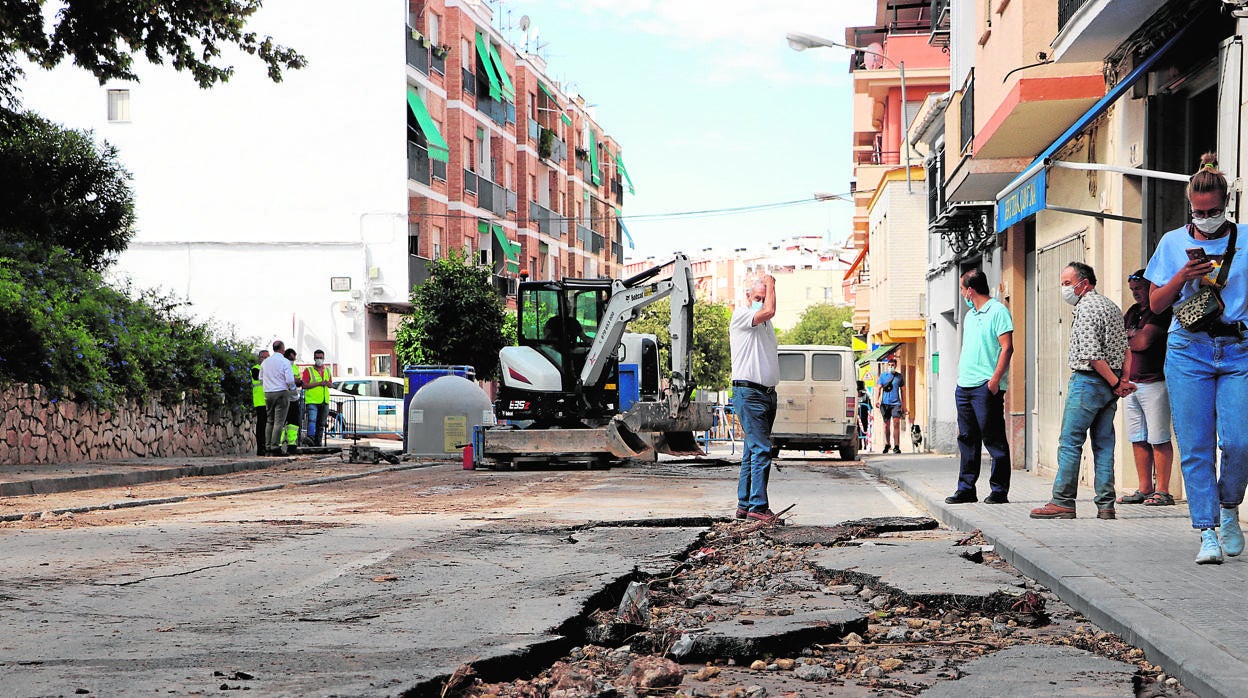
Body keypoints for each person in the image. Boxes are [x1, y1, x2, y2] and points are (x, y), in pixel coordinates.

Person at [1143, 152, 1247, 564]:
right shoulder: (1172, 243)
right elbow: (1154, 302)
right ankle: (1206, 531)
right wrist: (1181, 277)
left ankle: (1228, 507)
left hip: (1238, 348)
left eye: (1215, 211)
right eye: (1200, 211)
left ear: (1226, 205)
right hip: (1188, 349)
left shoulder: (1244, 240)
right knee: (1196, 444)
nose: (1207, 217)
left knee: (1239, 442)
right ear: (1191, 206)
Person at [1031, 262, 1131, 521]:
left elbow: (1091, 354)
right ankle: (1106, 505)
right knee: (1104, 444)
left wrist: (1113, 381)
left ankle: (1062, 501)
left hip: (1089, 381)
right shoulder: (1110, 306)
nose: (1064, 289)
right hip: (1111, 384)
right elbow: (1125, 349)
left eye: (1067, 283)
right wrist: (1121, 380)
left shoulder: (1086, 308)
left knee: (1070, 443)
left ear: (1084, 283)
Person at [946, 268, 1014, 505]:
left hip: (985, 387)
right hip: (964, 386)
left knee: (993, 438)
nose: (962, 293)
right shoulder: (970, 315)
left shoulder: (998, 311)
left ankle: (998, 490)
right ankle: (966, 489)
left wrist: (995, 380)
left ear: (970, 290)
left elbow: (1007, 348)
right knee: (966, 438)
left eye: (963, 289)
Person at [1117, 269, 1175, 507]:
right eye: (1132, 290)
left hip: (1154, 382)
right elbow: (1119, 342)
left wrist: (1128, 338)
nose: (1136, 294)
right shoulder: (1132, 312)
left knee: (1158, 437)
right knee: (1138, 438)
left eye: (1139, 289)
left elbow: (1142, 342)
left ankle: (1163, 490)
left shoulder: (1159, 311)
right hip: (1132, 384)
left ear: (1151, 286)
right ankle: (1144, 488)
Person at [730, 274, 782, 524]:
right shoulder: (741, 315)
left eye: (764, 298)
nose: (761, 303)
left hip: (764, 393)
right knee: (761, 450)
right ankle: (758, 507)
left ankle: (746, 504)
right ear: (748, 297)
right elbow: (770, 311)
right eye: (757, 298)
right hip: (749, 392)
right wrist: (770, 283)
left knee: (752, 450)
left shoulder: (765, 326)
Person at [259, 340, 296, 455]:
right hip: (281, 392)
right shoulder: (285, 362)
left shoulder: (265, 363)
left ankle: (268, 446)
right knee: (279, 421)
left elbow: (261, 378)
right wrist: (293, 390)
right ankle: (275, 447)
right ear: (282, 349)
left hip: (268, 393)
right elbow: (290, 380)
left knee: (269, 420)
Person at [302, 349, 333, 447]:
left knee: (321, 423)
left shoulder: (327, 370)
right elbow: (304, 385)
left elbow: (331, 384)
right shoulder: (309, 370)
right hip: (312, 400)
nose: (319, 359)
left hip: (324, 400)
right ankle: (310, 439)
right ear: (314, 358)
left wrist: (328, 384)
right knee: (312, 421)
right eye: (317, 358)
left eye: (321, 358)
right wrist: (319, 383)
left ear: (323, 358)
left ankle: (318, 442)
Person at [876, 357, 904, 453]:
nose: (891, 367)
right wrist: (877, 400)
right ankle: (887, 444)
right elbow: (878, 388)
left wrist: (904, 404)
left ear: (896, 366)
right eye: (889, 365)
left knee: (896, 423)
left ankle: (897, 446)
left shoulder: (899, 377)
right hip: (885, 403)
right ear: (887, 366)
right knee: (886, 425)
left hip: (896, 403)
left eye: (893, 365)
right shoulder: (883, 376)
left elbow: (903, 390)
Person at [281, 347, 304, 451]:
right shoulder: (281, 366)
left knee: (293, 423)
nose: (292, 361)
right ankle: (279, 444)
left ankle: (292, 444)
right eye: (291, 359)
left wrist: (297, 381)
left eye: (293, 359)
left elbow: (298, 382)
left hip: (294, 398)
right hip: (283, 397)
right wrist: (292, 380)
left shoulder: (294, 368)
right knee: (281, 422)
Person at [250, 349, 269, 457]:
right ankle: (261, 448)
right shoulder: (255, 369)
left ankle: (267, 446)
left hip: (269, 401)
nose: (266, 360)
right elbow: (260, 378)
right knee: (261, 425)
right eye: (264, 357)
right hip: (260, 401)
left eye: (268, 358)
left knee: (268, 425)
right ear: (259, 358)